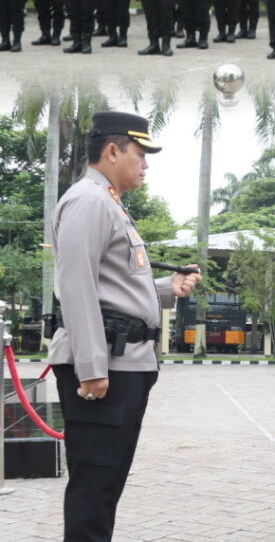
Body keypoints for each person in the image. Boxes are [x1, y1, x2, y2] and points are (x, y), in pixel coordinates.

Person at [47, 110, 201, 541]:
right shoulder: (88, 201)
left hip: (125, 363)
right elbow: (75, 286)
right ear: (112, 150)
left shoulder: (108, 202)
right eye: (141, 153)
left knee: (106, 484)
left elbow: (116, 286)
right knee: (94, 488)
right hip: (106, 369)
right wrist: (91, 367)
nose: (146, 163)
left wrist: (166, 289)